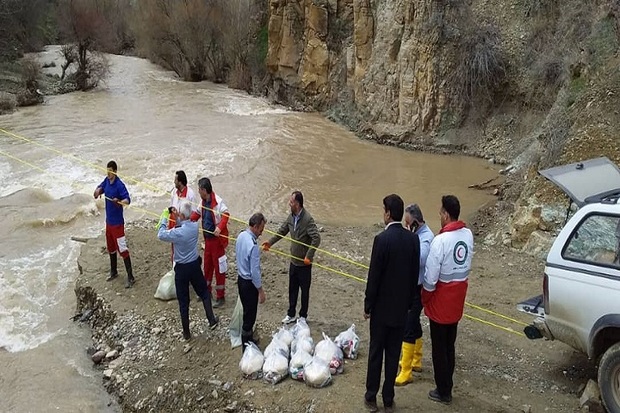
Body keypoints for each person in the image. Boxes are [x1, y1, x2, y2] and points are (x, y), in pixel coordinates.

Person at [363, 194, 420, 413]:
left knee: (376, 352)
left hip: (381, 310)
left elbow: (374, 277)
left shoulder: (381, 239)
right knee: (393, 354)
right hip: (400, 310)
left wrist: (368, 305)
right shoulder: (413, 240)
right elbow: (414, 275)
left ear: (388, 213)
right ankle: (388, 398)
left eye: (383, 210)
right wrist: (408, 304)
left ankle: (371, 397)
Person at [422, 195, 473, 405]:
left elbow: (430, 277)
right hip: (458, 298)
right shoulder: (468, 235)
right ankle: (447, 385)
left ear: (445, 214)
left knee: (439, 348)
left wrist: (425, 297)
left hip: (441, 300)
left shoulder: (440, 241)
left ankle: (443, 390)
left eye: (440, 213)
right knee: (450, 345)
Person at [157, 200, 219, 340]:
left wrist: (165, 217)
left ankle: (186, 333)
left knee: (183, 301)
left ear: (181, 215)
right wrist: (177, 214)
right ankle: (211, 320)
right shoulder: (194, 226)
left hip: (181, 269)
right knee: (204, 292)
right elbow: (184, 221)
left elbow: (160, 234)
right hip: (194, 265)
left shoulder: (177, 232)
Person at [262, 191, 321, 324]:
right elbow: (282, 231)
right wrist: (270, 243)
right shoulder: (291, 217)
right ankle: (291, 314)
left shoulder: (307, 219)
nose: (289, 203)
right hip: (293, 262)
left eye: (292, 202)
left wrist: (309, 255)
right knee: (292, 289)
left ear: (298, 204)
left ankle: (303, 316)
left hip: (304, 264)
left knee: (304, 291)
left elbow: (316, 238)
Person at [395, 204, 435, 385]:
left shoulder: (426, 237)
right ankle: (417, 359)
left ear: (416, 222)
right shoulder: (416, 234)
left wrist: (408, 239)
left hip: (419, 288)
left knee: (409, 325)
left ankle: (406, 369)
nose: (406, 225)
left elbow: (421, 259)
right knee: (413, 322)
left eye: (408, 222)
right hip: (409, 285)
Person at [93, 160, 135, 288]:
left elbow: (128, 200)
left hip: (117, 224)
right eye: (107, 171)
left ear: (115, 172)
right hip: (109, 223)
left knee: (122, 249)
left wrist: (119, 201)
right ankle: (114, 271)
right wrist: (97, 191)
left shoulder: (119, 185)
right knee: (110, 248)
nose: (108, 173)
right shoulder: (106, 181)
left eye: (110, 171)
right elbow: (100, 188)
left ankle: (131, 276)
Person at [190, 177, 230, 308]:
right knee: (207, 267)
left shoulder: (217, 201)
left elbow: (226, 215)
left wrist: (219, 228)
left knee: (219, 268)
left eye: (199, 189)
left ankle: (220, 296)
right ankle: (206, 292)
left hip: (217, 242)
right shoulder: (203, 202)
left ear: (204, 190)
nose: (198, 192)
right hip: (208, 240)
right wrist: (186, 219)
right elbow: (196, 214)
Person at [235, 212, 267, 353]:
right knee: (250, 316)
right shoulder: (253, 245)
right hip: (249, 284)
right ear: (254, 226)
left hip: (241, 279)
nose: (262, 232)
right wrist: (260, 290)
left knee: (247, 312)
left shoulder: (241, 236)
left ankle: (249, 341)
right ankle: (246, 348)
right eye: (261, 229)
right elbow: (255, 272)